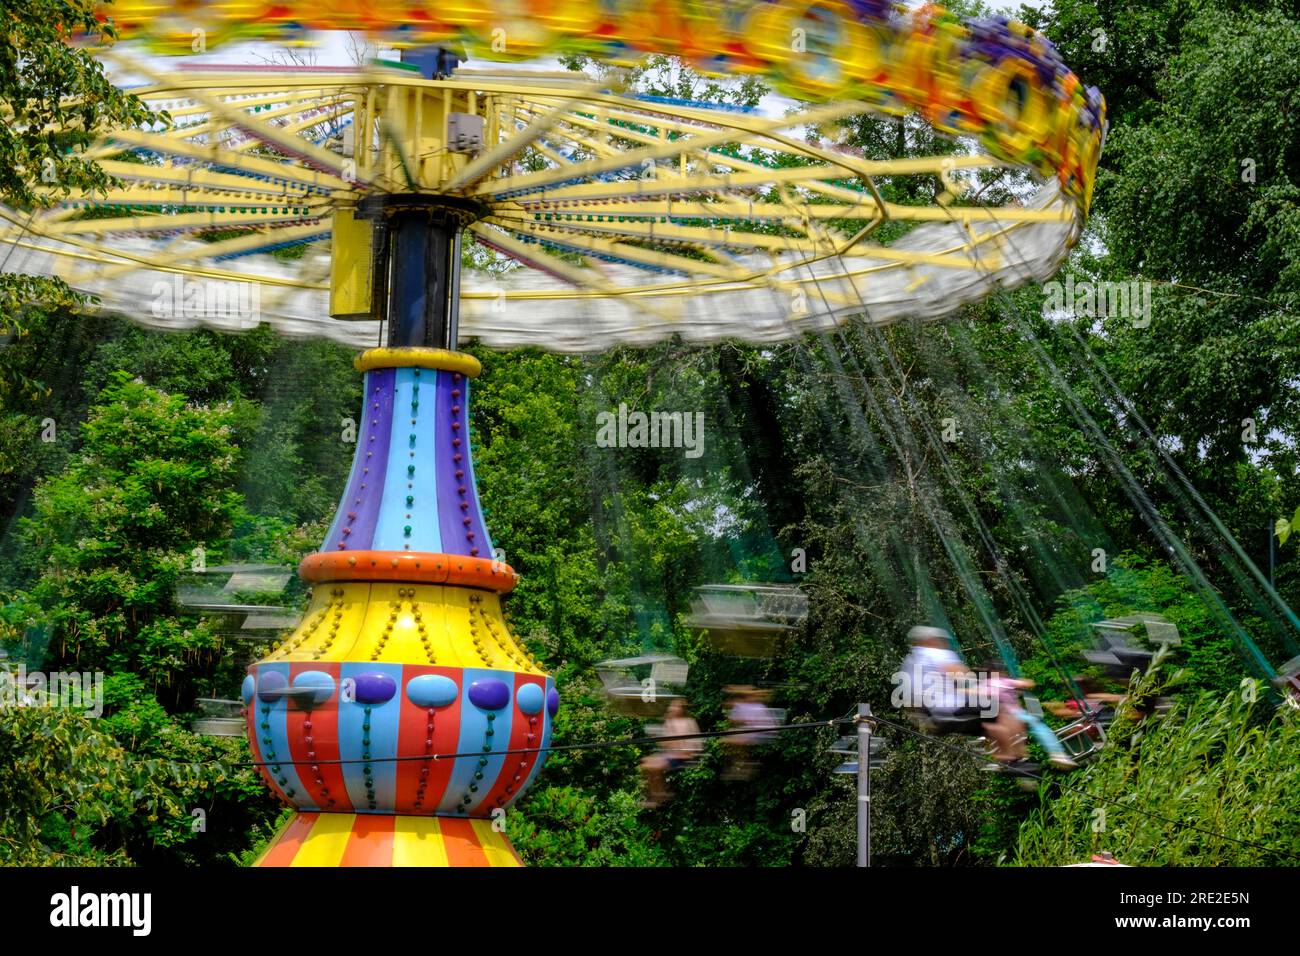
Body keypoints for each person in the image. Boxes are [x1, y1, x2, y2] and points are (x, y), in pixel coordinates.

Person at [640, 698, 701, 807]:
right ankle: (658, 792)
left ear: (681, 709)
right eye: (672, 706)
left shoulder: (689, 722)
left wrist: (685, 750)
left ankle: (659, 794)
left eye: (675, 706)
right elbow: (664, 744)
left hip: (683, 756)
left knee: (653, 766)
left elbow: (695, 743)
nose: (672, 709)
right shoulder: (669, 722)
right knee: (645, 763)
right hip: (671, 755)